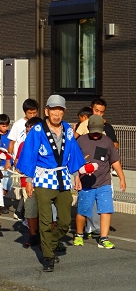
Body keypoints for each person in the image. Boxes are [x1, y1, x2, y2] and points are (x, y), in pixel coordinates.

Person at [16, 94, 86, 272]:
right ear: (46, 111)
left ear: (63, 112)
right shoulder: (37, 130)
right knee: (46, 221)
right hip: (43, 179)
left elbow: (73, 153)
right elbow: (30, 155)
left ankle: (48, 242)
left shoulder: (68, 130)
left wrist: (76, 174)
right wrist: (29, 180)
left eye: (60, 111)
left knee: (63, 221)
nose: (56, 114)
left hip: (62, 179)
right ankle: (48, 256)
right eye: (53, 110)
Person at [73, 115, 126, 249]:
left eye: (98, 131)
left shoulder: (107, 141)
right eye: (93, 131)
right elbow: (75, 162)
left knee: (106, 210)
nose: (96, 134)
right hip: (86, 183)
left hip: (104, 182)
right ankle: (79, 235)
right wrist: (77, 178)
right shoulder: (81, 141)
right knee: (83, 210)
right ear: (88, 128)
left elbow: (115, 161)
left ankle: (104, 238)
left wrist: (122, 178)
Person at [15, 117, 42, 246]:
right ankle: (33, 235)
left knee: (45, 211)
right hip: (27, 183)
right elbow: (18, 164)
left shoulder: (46, 145)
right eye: (26, 132)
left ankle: (46, 237)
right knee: (30, 210)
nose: (28, 134)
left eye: (30, 132)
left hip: (44, 183)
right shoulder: (22, 145)